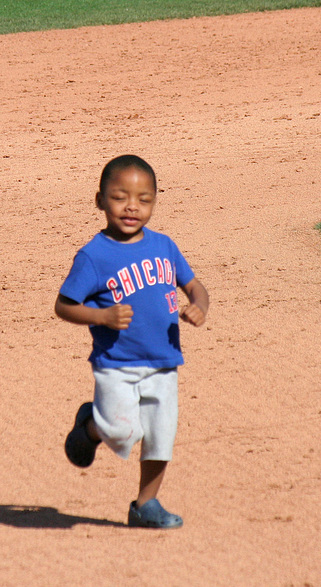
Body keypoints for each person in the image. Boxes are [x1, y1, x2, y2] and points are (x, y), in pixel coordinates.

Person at [55, 154, 209, 529]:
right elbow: (63, 305)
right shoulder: (94, 256)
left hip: (164, 359)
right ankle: (92, 424)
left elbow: (193, 285)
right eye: (120, 196)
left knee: (160, 435)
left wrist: (199, 305)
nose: (131, 207)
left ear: (155, 201)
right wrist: (101, 316)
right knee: (123, 431)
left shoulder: (165, 246)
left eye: (143, 199)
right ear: (99, 200)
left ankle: (146, 504)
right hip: (116, 362)